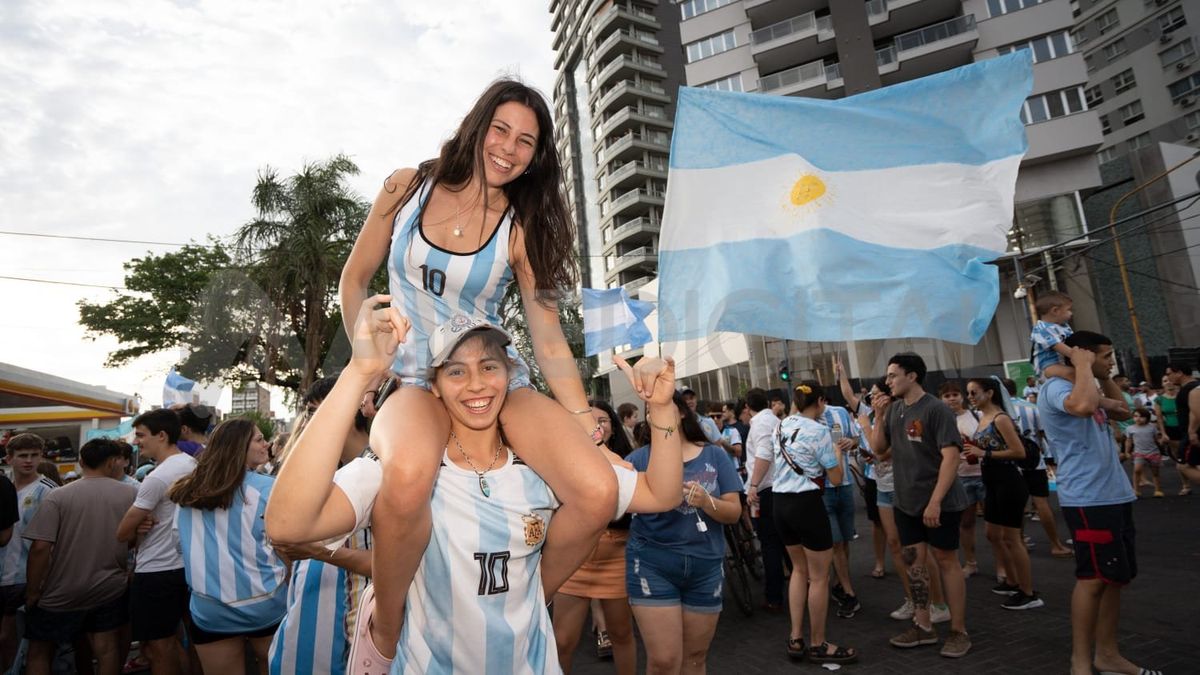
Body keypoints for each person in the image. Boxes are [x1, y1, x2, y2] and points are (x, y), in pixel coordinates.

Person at [338, 79, 618, 657]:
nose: (508, 149)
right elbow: (353, 279)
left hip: (493, 380)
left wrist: (577, 412)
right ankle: (386, 629)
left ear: (535, 156)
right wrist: (368, 362)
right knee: (410, 475)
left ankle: (520, 603)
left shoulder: (518, 227)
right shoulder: (405, 189)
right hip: (417, 379)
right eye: (501, 130)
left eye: (526, 142)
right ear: (477, 125)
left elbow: (545, 334)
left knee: (596, 490)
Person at [264, 303, 683, 674]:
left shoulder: (541, 466)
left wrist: (662, 406)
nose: (476, 384)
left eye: (489, 367)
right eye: (456, 371)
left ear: (509, 375)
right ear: (435, 386)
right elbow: (286, 525)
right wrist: (359, 373)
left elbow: (661, 494)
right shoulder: (404, 470)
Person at [1036, 331, 1160, 675]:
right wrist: (1083, 367)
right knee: (1092, 578)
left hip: (1114, 493)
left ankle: (1108, 654)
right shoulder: (1057, 389)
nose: (1111, 362)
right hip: (1088, 499)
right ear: (1082, 356)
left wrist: (1100, 374)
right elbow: (1083, 406)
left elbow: (1122, 410)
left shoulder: (1089, 381)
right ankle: (1080, 661)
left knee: (1114, 576)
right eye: (1105, 356)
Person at [626, 391, 742, 675]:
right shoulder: (638, 460)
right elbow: (615, 506)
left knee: (695, 657)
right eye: (651, 410)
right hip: (653, 564)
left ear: (681, 413)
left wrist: (706, 501)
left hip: (706, 565)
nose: (657, 415)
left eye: (664, 408)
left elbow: (734, 512)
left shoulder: (714, 454)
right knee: (664, 661)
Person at [266, 376, 373, 675]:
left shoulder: (380, 468)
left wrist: (315, 550)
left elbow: (400, 565)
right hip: (310, 626)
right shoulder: (322, 474)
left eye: (315, 413)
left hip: (357, 634)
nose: (307, 424)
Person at [868, 353, 971, 658]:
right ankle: (923, 626)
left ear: (911, 376)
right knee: (915, 561)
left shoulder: (936, 409)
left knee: (947, 561)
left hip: (940, 502)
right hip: (907, 502)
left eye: (892, 375)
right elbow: (878, 449)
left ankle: (958, 630)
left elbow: (951, 458)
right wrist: (878, 415)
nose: (887, 382)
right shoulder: (896, 409)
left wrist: (936, 502)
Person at [169, 418, 287, 674]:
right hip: (266, 602)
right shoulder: (269, 489)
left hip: (210, 608)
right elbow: (285, 545)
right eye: (258, 439)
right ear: (238, 447)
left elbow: (179, 544)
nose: (266, 444)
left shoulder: (186, 491)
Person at [22, 438, 137, 675]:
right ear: (113, 462)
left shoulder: (59, 496)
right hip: (109, 587)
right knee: (106, 648)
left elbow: (40, 548)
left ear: (81, 462)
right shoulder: (130, 494)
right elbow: (134, 539)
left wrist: (33, 591)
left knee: (40, 651)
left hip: (61, 590)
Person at [553, 399, 638, 674]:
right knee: (562, 640)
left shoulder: (626, 463)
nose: (596, 426)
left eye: (601, 420)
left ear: (613, 427)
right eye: (589, 420)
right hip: (573, 560)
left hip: (615, 556)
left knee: (621, 633)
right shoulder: (561, 460)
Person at [774, 382, 856, 664]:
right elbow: (835, 478)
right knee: (819, 576)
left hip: (780, 503)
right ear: (820, 401)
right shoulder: (821, 432)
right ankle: (818, 643)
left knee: (798, 570)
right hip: (806, 504)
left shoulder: (781, 425)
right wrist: (838, 450)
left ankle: (795, 638)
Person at [116, 408, 198, 675]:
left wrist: (137, 525)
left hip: (157, 570)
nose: (137, 441)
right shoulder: (191, 465)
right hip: (187, 565)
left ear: (161, 435)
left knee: (158, 646)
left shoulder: (157, 476)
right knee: (184, 641)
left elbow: (122, 532)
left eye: (141, 435)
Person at [963, 378, 1042, 610]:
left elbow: (1017, 451)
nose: (970, 397)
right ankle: (1012, 580)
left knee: (1012, 538)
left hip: (1008, 480)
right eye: (968, 392)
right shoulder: (982, 418)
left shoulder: (1001, 418)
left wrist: (983, 453)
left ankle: (1027, 591)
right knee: (992, 533)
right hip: (992, 481)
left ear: (989, 393)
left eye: (974, 392)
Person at [1002, 378, 1072, 559]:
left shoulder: (998, 412)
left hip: (1010, 463)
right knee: (1041, 502)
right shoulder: (1032, 408)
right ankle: (1055, 543)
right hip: (1034, 461)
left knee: (1017, 505)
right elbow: (1042, 435)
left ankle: (1020, 541)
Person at [0, 433, 53, 671]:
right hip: (4, 573)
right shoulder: (4, 486)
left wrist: (40, 582)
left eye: (34, 455)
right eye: (22, 456)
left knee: (18, 640)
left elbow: (50, 542)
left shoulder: (47, 490)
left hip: (28, 576)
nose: (29, 461)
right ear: (9, 458)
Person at [818, 394, 862, 619]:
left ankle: (839, 583)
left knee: (844, 540)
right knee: (835, 542)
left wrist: (850, 442)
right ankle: (848, 592)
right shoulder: (803, 420)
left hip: (844, 485)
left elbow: (856, 438)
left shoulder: (840, 413)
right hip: (822, 488)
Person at [745, 387, 785, 612]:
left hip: (764, 489)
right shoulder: (775, 421)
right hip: (779, 487)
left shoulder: (760, 424)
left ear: (748, 407)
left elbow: (764, 454)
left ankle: (774, 597)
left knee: (769, 543)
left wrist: (753, 485)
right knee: (784, 541)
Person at [939, 381, 984, 580]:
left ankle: (1004, 566)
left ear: (962, 396)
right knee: (966, 523)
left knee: (995, 528)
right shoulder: (940, 420)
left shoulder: (977, 416)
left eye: (955, 394)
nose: (952, 399)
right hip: (960, 477)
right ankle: (971, 562)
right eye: (947, 396)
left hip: (983, 474)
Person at [1164, 363, 1199, 495]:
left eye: (1169, 374)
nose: (1168, 378)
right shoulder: (1192, 387)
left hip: (1192, 434)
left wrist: (1192, 431)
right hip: (1190, 433)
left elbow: (1195, 412)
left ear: (1179, 372)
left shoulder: (1190, 389)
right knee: (1191, 464)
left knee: (1183, 466)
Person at [1030, 290, 1074, 383]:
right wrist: (1080, 357)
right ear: (1055, 311)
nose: (1071, 313)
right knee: (1072, 372)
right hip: (1047, 366)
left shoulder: (1064, 326)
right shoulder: (1042, 328)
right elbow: (1059, 347)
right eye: (1069, 310)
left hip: (1062, 362)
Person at [1125, 409, 1163, 498]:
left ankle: (1158, 490)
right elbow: (1128, 441)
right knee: (1137, 470)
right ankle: (1136, 490)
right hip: (1139, 453)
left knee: (1155, 472)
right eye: (1135, 416)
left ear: (1147, 418)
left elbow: (1156, 439)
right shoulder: (1130, 428)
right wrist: (1127, 451)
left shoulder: (1152, 427)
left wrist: (1162, 442)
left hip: (1153, 452)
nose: (1138, 419)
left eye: (1141, 417)